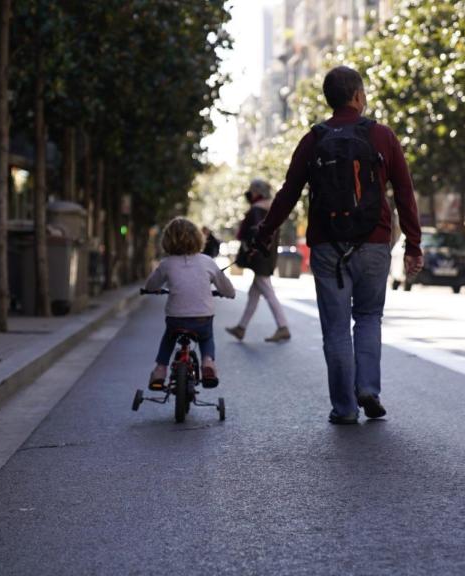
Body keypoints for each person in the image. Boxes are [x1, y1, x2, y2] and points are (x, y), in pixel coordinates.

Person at [253, 66, 423, 424]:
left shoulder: (314, 139)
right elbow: (405, 193)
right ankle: (368, 389)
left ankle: (345, 408)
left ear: (329, 100)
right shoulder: (382, 136)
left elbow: (287, 194)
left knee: (335, 327)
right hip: (374, 243)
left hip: (328, 246)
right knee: (368, 317)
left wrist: (265, 232)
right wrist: (412, 245)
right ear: (358, 96)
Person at [145, 217, 235, 391]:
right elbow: (227, 288)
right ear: (198, 238)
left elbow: (151, 285)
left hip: (176, 319)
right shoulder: (207, 261)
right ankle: (208, 362)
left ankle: (160, 370)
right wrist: (228, 294)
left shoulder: (166, 264)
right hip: (202, 319)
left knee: (169, 338)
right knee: (206, 337)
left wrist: (153, 289)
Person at [226, 179, 291, 343]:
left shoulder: (256, 210)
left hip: (259, 257)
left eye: (253, 190)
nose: (251, 193)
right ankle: (241, 328)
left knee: (268, 293)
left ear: (258, 192)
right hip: (266, 256)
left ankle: (283, 327)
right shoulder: (272, 209)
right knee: (253, 294)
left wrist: (249, 251)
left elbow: (253, 233)